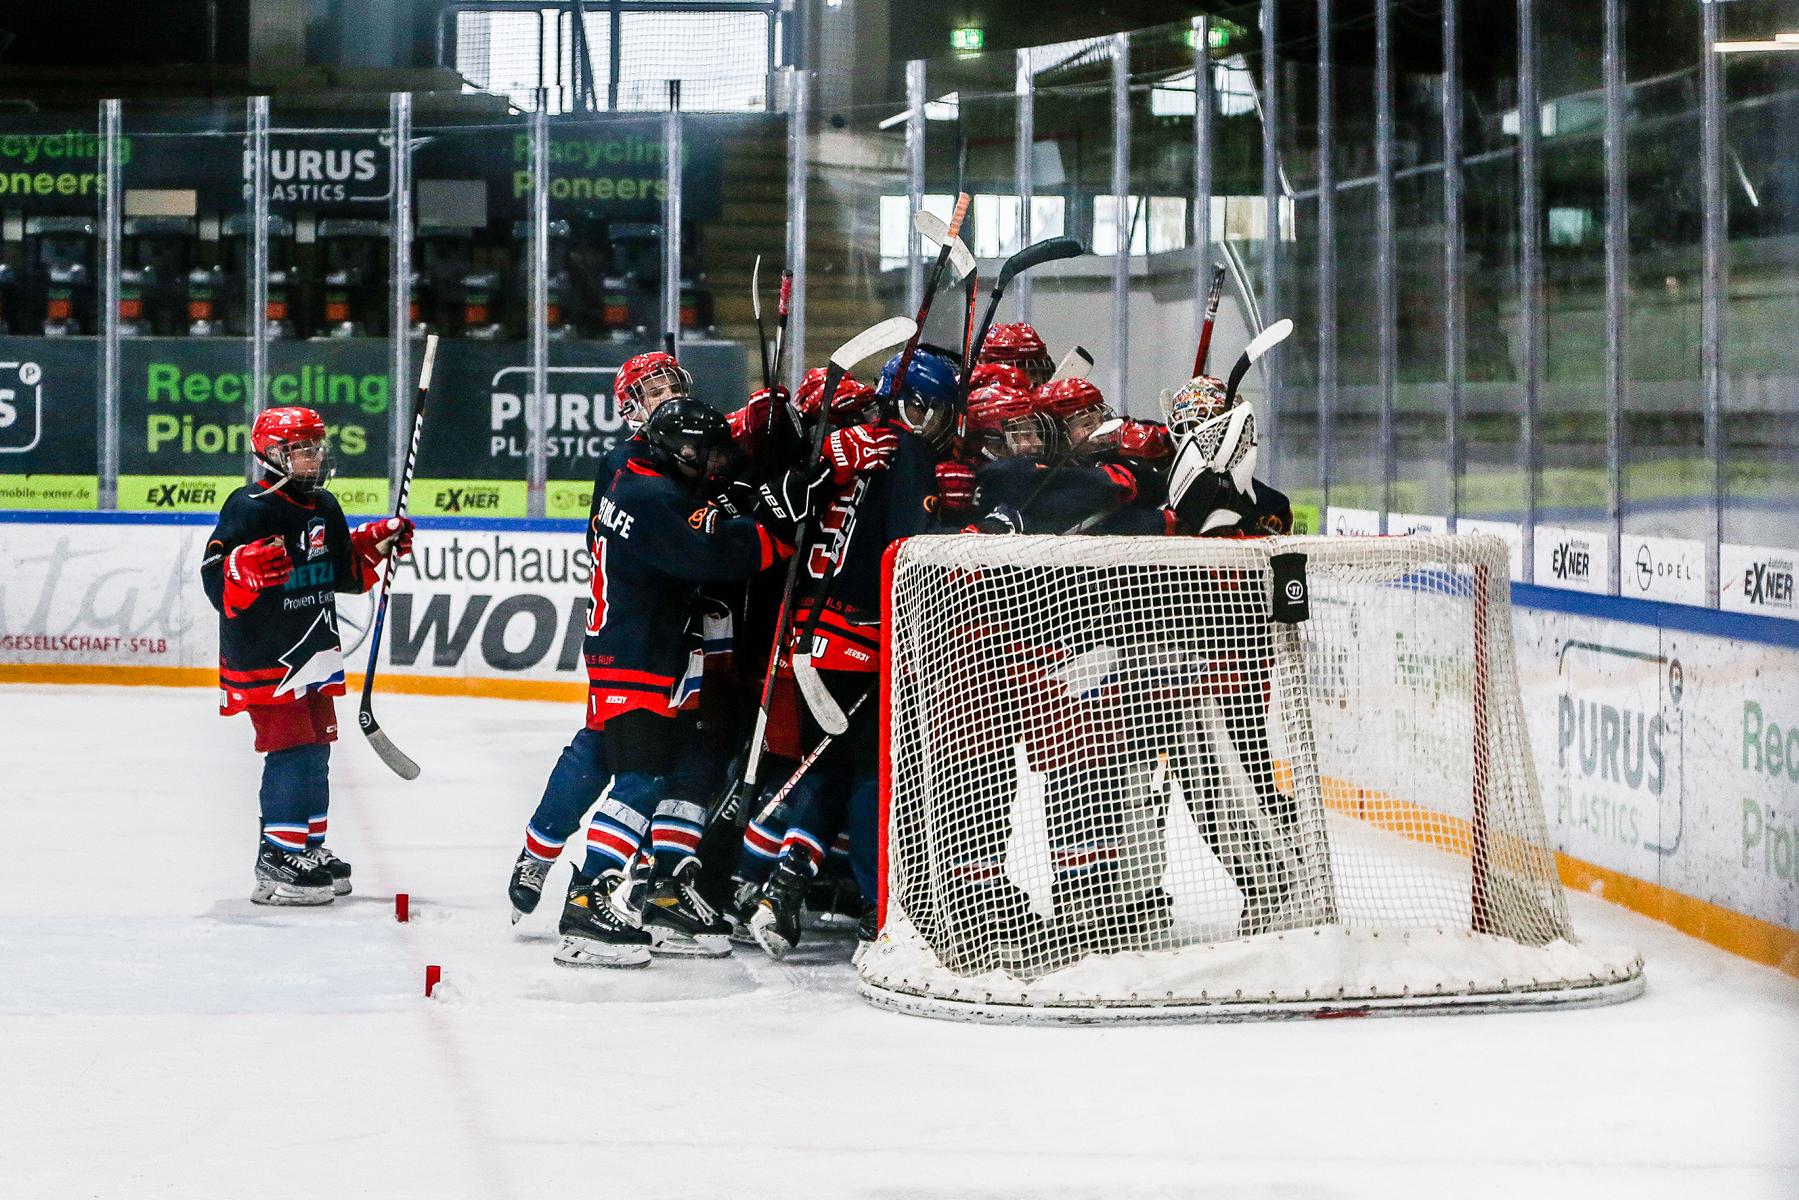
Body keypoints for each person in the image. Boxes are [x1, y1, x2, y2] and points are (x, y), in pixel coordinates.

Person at [748, 347, 954, 958]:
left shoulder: (841, 445)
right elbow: (911, 551)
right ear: (916, 407)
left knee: (827, 768)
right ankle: (878, 905)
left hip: (807, 638)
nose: (942, 422)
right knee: (873, 774)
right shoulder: (909, 450)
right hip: (863, 641)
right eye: (937, 409)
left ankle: (780, 890)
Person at [199, 405, 413, 906]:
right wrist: (242, 566)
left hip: (313, 649)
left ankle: (306, 847)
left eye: (316, 447)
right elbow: (215, 576)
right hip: (265, 655)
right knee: (291, 748)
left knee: (317, 746)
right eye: (301, 450)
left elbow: (341, 571)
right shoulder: (249, 506)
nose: (313, 458)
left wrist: (377, 543)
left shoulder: (325, 506)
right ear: (272, 454)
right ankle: (277, 856)